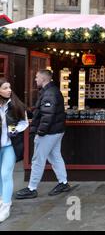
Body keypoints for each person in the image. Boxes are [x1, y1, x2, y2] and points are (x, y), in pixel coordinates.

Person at [15, 69, 73, 199]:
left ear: (44, 79)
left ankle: (32, 188)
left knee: (37, 159)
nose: (35, 80)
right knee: (55, 157)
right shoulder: (51, 91)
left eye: (37, 77)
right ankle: (63, 183)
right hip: (56, 131)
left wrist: (40, 132)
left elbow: (48, 116)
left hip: (49, 132)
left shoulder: (49, 93)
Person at [0, 78, 29, 222]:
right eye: (5, 88)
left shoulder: (16, 105)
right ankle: (1, 200)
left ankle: (6, 206)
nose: (9, 90)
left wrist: (16, 129)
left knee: (6, 174)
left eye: (9, 87)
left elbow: (25, 122)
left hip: (9, 146)